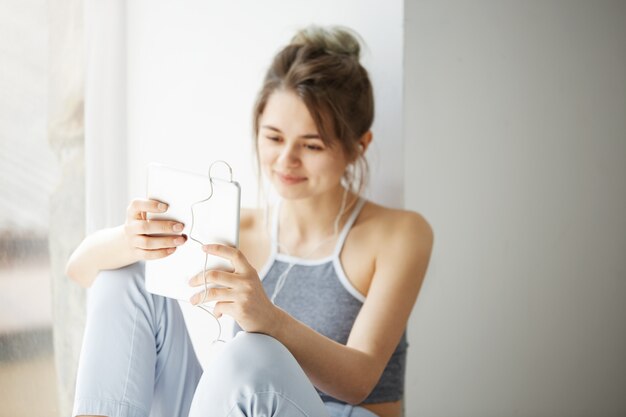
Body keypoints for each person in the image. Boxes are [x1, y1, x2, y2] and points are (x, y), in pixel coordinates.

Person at [66, 25, 433, 417]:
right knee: (127, 274)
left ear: (358, 146)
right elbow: (81, 271)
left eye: (311, 145)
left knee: (252, 352)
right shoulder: (236, 228)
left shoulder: (399, 234)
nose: (287, 160)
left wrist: (269, 319)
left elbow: (360, 381)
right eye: (274, 138)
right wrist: (130, 240)